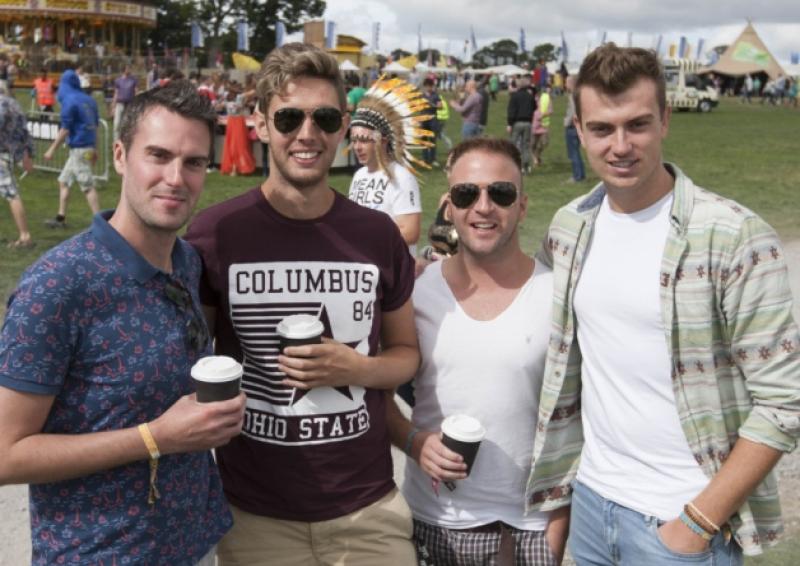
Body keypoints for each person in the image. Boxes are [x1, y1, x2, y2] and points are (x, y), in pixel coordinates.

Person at [527, 43, 800, 563]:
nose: (621, 146)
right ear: (579, 130)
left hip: (681, 524)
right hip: (591, 503)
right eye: (602, 129)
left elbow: (784, 402)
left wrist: (696, 523)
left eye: (638, 125)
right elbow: (523, 306)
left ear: (665, 120)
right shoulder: (570, 226)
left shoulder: (734, 236)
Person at [184, 42, 420, 565]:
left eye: (325, 118)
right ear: (261, 125)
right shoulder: (216, 233)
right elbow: (191, 365)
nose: (307, 133)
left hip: (368, 512)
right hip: (255, 518)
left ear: (343, 128)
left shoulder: (378, 235)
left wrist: (356, 368)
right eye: (289, 117)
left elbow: (406, 354)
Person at [0, 80, 247, 565]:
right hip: (99, 554)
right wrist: (155, 437)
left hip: (194, 542)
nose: (176, 178)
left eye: (193, 162)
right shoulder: (58, 285)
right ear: (119, 155)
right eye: (158, 155)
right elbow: (6, 453)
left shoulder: (187, 263)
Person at [387, 137, 570, 564]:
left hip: (529, 527)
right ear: (449, 207)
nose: (483, 207)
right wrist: (414, 443)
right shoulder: (417, 293)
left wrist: (556, 532)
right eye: (467, 193)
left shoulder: (557, 296)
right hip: (434, 522)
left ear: (522, 206)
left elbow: (578, 421)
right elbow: (376, 397)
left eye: (500, 193)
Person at [348, 76, 433, 256]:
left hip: (393, 266)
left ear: (383, 141)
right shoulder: (359, 175)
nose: (357, 147)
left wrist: (366, 238)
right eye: (354, 140)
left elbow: (410, 232)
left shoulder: (401, 177)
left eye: (364, 140)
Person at [43, 69, 100, 228]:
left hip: (79, 149)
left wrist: (51, 149)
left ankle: (101, 223)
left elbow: (65, 129)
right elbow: (95, 127)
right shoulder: (90, 100)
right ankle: (61, 218)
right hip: (86, 147)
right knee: (64, 181)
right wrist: (96, 149)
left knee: (87, 186)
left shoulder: (70, 101)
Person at [0, 83, 34, 248]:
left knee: (11, 194)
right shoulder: (15, 105)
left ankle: (25, 236)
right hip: (11, 152)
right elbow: (25, 133)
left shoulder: (1, 105)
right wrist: (27, 154)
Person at [507, 76, 535, 173]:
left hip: (517, 122)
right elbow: (535, 107)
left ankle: (514, 164)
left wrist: (509, 124)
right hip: (528, 122)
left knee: (513, 144)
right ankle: (526, 165)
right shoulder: (530, 96)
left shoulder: (514, 96)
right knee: (526, 145)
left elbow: (511, 111)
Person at [563, 75, 585, 183]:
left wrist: (567, 123)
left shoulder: (573, 96)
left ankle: (577, 176)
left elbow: (573, 111)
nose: (565, 84)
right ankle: (580, 174)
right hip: (578, 125)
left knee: (573, 153)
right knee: (576, 151)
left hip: (572, 127)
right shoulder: (580, 94)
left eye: (566, 82)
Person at [420, 77, 442, 166]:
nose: (428, 87)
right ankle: (425, 159)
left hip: (433, 120)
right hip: (424, 120)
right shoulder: (421, 96)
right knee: (424, 140)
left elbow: (440, 106)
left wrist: (432, 105)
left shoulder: (436, 95)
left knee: (432, 141)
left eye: (430, 86)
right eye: (427, 86)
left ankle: (433, 159)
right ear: (424, 86)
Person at [112, 65, 138, 141]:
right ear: (124, 70)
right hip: (120, 104)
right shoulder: (118, 80)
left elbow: (136, 92)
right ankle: (116, 140)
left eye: (129, 68)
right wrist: (113, 105)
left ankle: (127, 141)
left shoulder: (134, 80)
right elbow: (116, 93)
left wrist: (137, 102)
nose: (129, 70)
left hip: (130, 104)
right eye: (128, 68)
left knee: (129, 123)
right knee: (116, 123)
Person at [531, 84, 552, 168]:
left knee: (544, 143)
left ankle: (537, 155)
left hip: (543, 125)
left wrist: (542, 115)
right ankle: (535, 159)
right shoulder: (530, 99)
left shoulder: (546, 98)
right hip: (533, 125)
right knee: (532, 144)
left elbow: (550, 110)